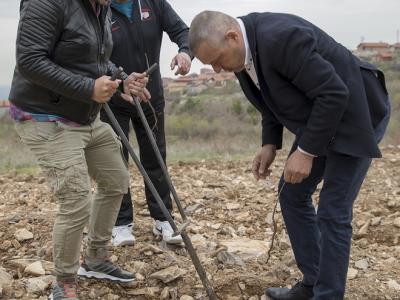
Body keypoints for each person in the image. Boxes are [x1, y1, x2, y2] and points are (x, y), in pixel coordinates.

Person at [188, 11, 390, 300]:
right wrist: (270, 143)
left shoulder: (280, 38)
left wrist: (306, 151)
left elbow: (333, 93)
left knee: (333, 210)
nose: (218, 69)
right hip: (322, 118)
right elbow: (270, 95)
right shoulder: (242, 48)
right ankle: (313, 283)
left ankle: (328, 295)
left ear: (232, 37)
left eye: (218, 60)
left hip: (357, 112)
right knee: (292, 193)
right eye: (212, 65)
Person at [9, 0, 149, 299]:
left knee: (116, 181)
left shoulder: (101, 7)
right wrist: (88, 88)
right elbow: (29, 60)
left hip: (85, 114)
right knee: (76, 200)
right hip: (46, 116)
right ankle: (64, 281)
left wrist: (121, 79)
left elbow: (95, 59)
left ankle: (96, 258)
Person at [100, 0, 192, 246]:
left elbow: (183, 32)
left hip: (151, 97)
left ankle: (163, 218)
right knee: (115, 161)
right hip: (113, 97)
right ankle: (120, 223)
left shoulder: (154, 3)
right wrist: (118, 79)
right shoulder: (99, 7)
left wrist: (185, 51)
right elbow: (91, 53)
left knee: (155, 158)